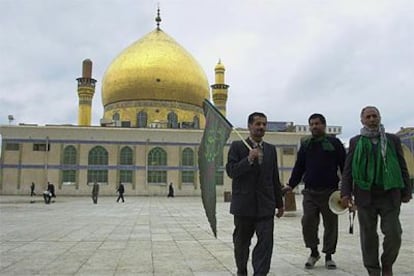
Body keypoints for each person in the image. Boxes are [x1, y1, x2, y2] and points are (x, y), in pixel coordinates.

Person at [340, 106, 412, 276]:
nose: (372, 119)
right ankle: (373, 270)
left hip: (389, 194)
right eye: (368, 117)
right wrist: (345, 193)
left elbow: (402, 165)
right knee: (368, 236)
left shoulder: (392, 140)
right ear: (362, 120)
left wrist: (407, 190)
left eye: (375, 116)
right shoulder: (356, 141)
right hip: (365, 195)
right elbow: (348, 170)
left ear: (380, 118)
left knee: (394, 233)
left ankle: (387, 264)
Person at [282, 113, 346, 270]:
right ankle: (314, 252)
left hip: (330, 193)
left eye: (317, 123)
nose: (314, 127)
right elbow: (299, 167)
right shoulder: (306, 144)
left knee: (330, 225)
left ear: (324, 125)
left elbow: (345, 167)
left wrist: (347, 189)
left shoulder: (334, 143)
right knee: (308, 222)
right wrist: (291, 184)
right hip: (310, 192)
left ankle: (329, 255)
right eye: (311, 124)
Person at [226, 112, 284, 276]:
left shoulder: (271, 150)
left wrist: (279, 204)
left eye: (264, 124)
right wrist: (248, 160)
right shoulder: (238, 146)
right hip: (244, 206)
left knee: (266, 243)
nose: (261, 127)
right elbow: (231, 171)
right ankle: (242, 270)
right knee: (241, 243)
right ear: (249, 126)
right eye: (258, 124)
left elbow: (274, 178)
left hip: (265, 205)